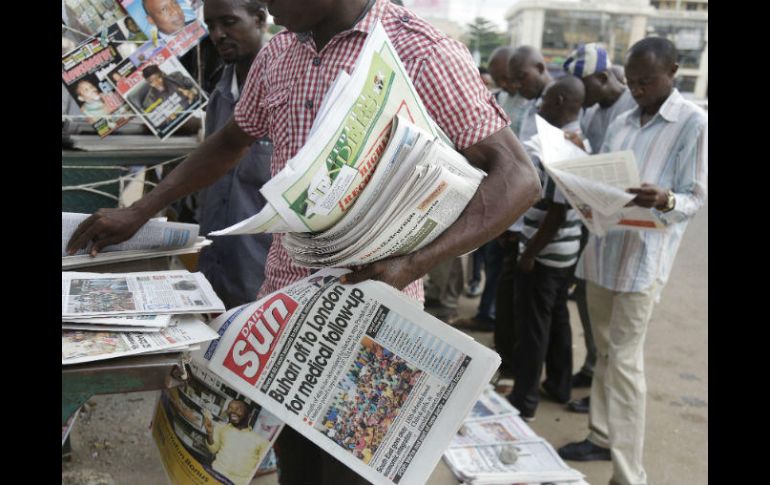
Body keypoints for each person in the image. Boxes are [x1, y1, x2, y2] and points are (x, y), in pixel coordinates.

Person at [66, 0, 541, 482]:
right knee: (299, 469)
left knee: (349, 474)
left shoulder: (421, 52)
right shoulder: (280, 54)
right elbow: (232, 141)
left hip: (373, 313)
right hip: (284, 311)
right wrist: (139, 210)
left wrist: (416, 262)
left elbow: (519, 178)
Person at [557, 38, 707, 485]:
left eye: (647, 81)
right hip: (604, 252)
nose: (637, 89)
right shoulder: (622, 118)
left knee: (624, 362)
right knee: (604, 353)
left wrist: (666, 198)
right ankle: (601, 435)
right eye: (632, 80)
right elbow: (606, 177)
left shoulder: (692, 123)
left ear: (674, 72)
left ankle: (628, 475)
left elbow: (696, 198)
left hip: (643, 260)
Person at [562, 43, 638, 413]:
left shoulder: (633, 110)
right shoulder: (593, 110)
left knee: (617, 329)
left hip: (626, 231)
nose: (581, 97)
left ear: (604, 78)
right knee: (585, 300)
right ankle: (592, 367)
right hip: (594, 222)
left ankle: (603, 393)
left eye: (585, 87)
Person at [507, 76, 587, 421]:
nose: (538, 108)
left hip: (546, 253)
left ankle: (524, 400)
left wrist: (529, 253)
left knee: (533, 328)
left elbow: (557, 211)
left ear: (559, 100)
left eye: (544, 102)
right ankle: (559, 383)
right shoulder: (578, 140)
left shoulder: (565, 145)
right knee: (555, 318)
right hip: (564, 253)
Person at [194, 0, 273, 309]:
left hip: (263, 276)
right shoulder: (220, 91)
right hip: (214, 267)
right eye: (211, 26)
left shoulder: (287, 91)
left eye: (228, 22)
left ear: (260, 19)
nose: (218, 34)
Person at [204, 399, 269, 485]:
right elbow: (213, 449)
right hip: (215, 475)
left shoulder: (262, 441)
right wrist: (209, 433)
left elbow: (264, 469)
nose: (232, 412)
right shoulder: (221, 428)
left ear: (249, 415)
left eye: (238, 409)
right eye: (230, 408)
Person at [508, 45, 554, 145]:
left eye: (521, 77)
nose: (517, 85)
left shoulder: (560, 102)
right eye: (513, 81)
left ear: (540, 68)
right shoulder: (531, 103)